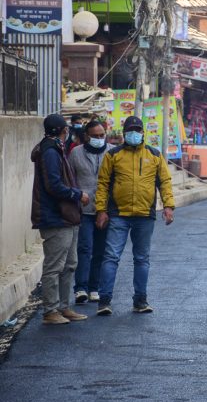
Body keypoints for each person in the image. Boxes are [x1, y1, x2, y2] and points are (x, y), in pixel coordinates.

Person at [94, 116, 175, 316]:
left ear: (143, 133)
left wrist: (168, 206)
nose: (134, 133)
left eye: (137, 130)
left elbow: (164, 182)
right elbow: (103, 184)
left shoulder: (154, 155)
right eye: (131, 130)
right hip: (118, 215)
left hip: (145, 215)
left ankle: (140, 301)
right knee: (111, 257)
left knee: (141, 258)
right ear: (124, 133)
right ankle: (104, 301)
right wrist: (101, 210)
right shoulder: (113, 155)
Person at [31, 114, 89, 325]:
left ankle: (64, 307)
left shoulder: (57, 149)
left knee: (70, 264)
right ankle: (50, 310)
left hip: (67, 217)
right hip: (55, 217)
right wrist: (76, 194)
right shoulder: (50, 152)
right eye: (66, 128)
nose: (69, 131)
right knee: (55, 266)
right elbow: (53, 185)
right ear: (61, 130)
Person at [69, 120, 113, 304]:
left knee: (101, 251)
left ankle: (95, 287)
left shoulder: (113, 152)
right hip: (84, 210)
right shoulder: (76, 153)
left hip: (106, 209)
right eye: (95, 136)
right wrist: (77, 196)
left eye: (101, 135)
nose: (98, 139)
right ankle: (81, 288)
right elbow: (70, 178)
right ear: (87, 136)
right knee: (84, 248)